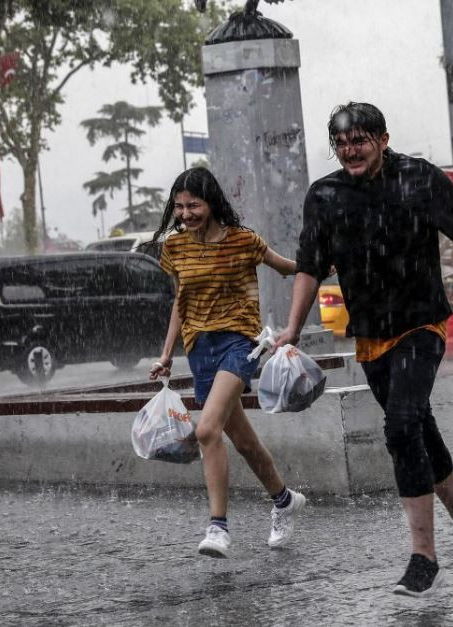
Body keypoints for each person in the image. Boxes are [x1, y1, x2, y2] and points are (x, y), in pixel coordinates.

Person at [275, 102, 453, 596]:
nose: (350, 151)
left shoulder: (419, 179)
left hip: (422, 324)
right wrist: (292, 331)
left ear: (383, 140)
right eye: (341, 144)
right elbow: (309, 264)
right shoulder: (325, 196)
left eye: (359, 141)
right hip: (371, 335)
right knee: (419, 429)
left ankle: (422, 556)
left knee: (401, 424)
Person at [149, 167, 306, 559]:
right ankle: (284, 500)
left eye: (194, 205)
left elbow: (286, 267)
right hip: (199, 347)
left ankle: (218, 527)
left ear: (213, 203)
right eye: (179, 207)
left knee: (205, 430)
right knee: (243, 439)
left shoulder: (243, 241)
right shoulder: (175, 247)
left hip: (240, 343)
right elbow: (179, 304)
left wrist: (325, 266)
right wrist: (167, 354)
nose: (185, 214)